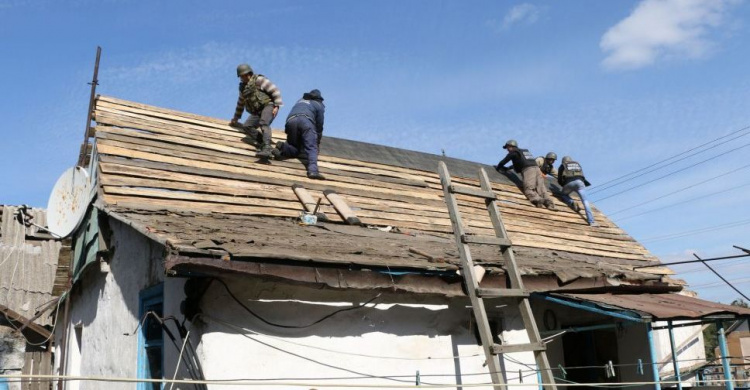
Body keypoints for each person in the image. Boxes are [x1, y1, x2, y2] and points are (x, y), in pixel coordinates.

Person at [229, 63, 283, 158]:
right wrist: (236, 118)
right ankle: (265, 145)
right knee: (247, 126)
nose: (241, 78)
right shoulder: (243, 88)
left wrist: (277, 106)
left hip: (268, 106)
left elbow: (275, 91)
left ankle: (266, 147)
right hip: (257, 111)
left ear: (247, 74)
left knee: (263, 123)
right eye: (240, 77)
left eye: (242, 76)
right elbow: (241, 103)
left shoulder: (259, 80)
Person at [272, 89, 326, 180]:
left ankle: (283, 147)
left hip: (290, 121)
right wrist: (317, 141)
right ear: (319, 98)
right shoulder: (318, 105)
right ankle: (313, 171)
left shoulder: (300, 101)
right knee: (311, 147)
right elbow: (319, 125)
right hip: (305, 122)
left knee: (295, 148)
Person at [495, 140, 556, 210]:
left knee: (529, 188)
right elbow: (521, 162)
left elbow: (504, 161)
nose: (507, 150)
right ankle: (550, 204)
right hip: (537, 169)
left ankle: (538, 200)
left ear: (510, 146)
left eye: (507, 148)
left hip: (528, 170)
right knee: (541, 188)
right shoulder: (524, 152)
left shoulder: (514, 152)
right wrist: (508, 168)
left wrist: (498, 167)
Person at [557, 156, 596, 226]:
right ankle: (591, 221)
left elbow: (559, 179)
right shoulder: (577, 164)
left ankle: (571, 202)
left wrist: (563, 185)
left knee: (563, 194)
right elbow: (582, 175)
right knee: (585, 201)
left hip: (569, 183)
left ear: (563, 161)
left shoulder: (563, 165)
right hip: (580, 182)